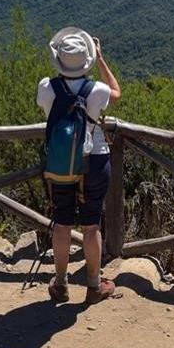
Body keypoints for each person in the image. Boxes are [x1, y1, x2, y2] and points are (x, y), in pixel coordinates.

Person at [37, 27, 121, 304]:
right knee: (90, 226)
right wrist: (101, 59)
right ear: (87, 59)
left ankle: (60, 284)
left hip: (60, 162)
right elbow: (117, 92)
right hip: (94, 160)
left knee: (62, 224)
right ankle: (94, 286)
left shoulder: (46, 87)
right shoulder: (96, 90)